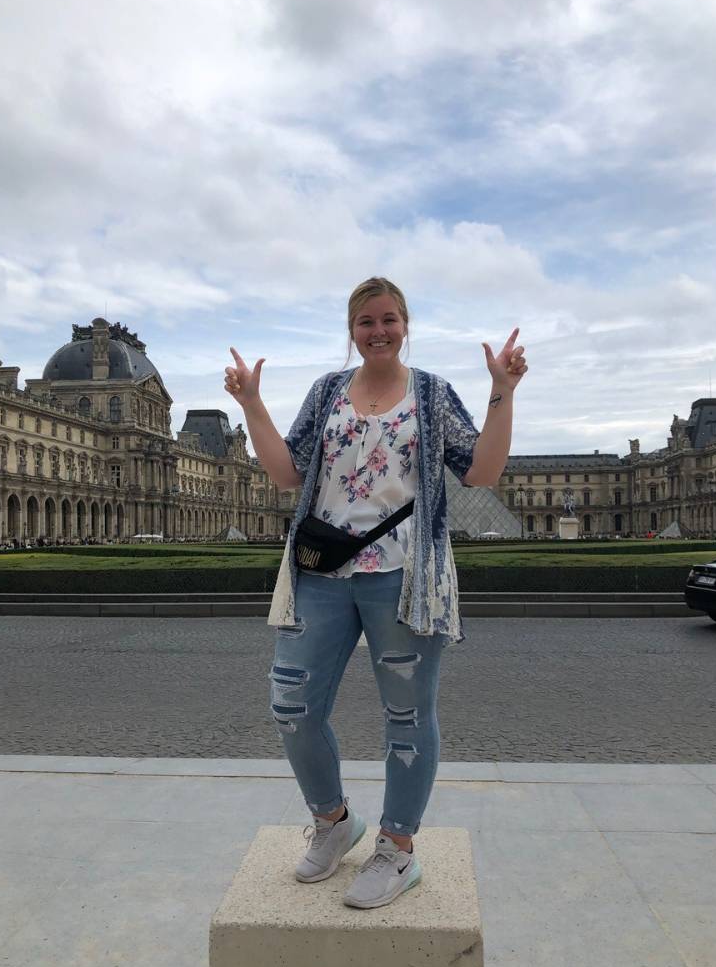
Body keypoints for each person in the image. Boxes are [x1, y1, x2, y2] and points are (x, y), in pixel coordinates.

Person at [224, 277, 527, 909]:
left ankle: (397, 847)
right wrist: (252, 404)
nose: (378, 331)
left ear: (405, 325)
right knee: (291, 704)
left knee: (407, 716)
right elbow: (287, 474)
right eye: (366, 321)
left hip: (404, 576)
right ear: (352, 330)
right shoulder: (327, 392)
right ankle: (334, 822)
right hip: (322, 572)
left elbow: (482, 471)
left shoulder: (432, 393)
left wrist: (502, 392)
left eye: (388, 319)